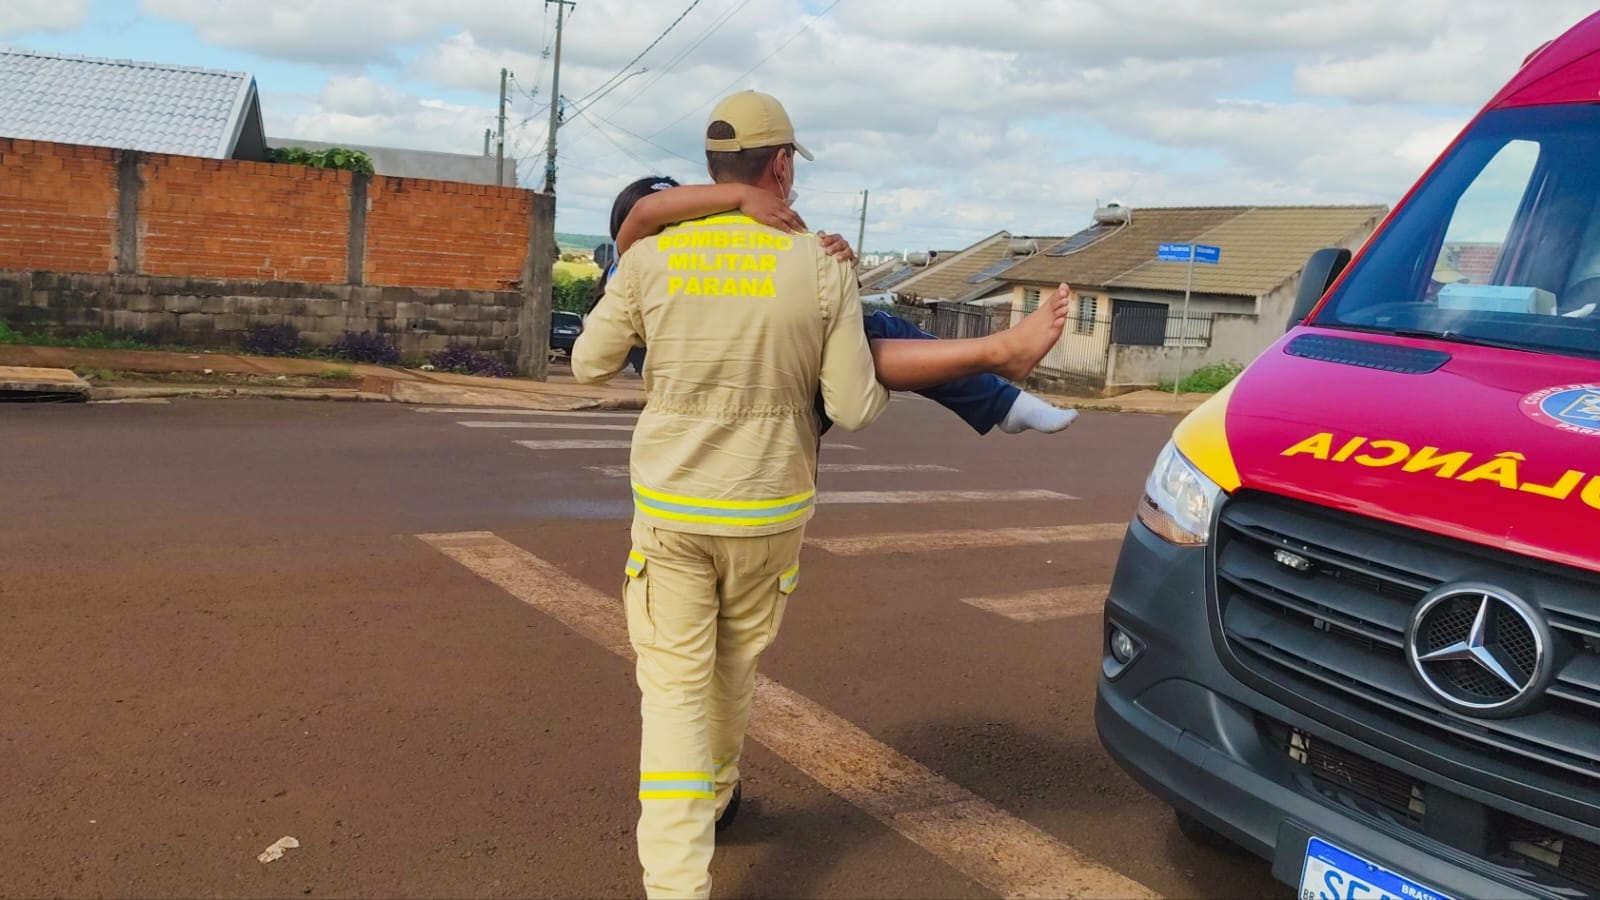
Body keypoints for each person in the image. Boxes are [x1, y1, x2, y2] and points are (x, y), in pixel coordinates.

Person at [571, 91, 1072, 900]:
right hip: (768, 507)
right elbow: (852, 408)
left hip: (675, 507)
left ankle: (676, 886)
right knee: (733, 666)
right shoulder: (822, 260)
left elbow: (590, 365)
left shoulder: (649, 258)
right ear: (781, 164)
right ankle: (722, 787)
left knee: (673, 691)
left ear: (714, 170)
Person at [600, 177, 1079, 435]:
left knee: (866, 331)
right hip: (734, 379)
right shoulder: (633, 262)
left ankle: (1002, 389)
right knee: (865, 342)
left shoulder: (685, 262)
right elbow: (643, 215)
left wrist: (829, 259)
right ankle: (1000, 373)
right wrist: (742, 193)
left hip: (749, 376)